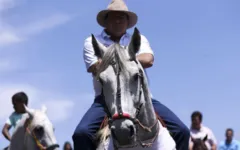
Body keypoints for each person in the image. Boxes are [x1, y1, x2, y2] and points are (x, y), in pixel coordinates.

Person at [72, 0, 190, 149]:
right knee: (81, 134)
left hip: (142, 97)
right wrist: (128, 59)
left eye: (122, 17)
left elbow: (148, 59)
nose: (118, 20)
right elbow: (94, 66)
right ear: (106, 20)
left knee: (182, 132)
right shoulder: (92, 41)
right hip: (105, 99)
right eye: (114, 16)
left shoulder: (138, 39)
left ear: (128, 22)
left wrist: (116, 60)